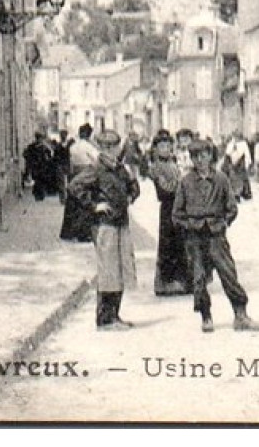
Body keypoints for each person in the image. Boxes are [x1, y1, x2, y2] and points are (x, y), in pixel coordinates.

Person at [173, 140, 259, 333]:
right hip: (195, 239)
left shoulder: (221, 179)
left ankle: (241, 315)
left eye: (204, 155)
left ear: (210, 156)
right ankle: (206, 316)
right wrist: (190, 225)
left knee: (228, 274)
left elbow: (232, 208)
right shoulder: (186, 182)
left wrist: (223, 223)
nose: (200, 160)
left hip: (216, 237)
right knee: (199, 279)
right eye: (195, 156)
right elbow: (177, 214)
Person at [68, 129, 140, 330]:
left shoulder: (120, 169)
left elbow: (134, 186)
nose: (111, 150)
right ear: (100, 147)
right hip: (105, 226)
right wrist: (94, 206)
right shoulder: (96, 169)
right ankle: (104, 319)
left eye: (114, 146)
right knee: (108, 271)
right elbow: (74, 187)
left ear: (118, 148)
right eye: (106, 146)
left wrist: (130, 196)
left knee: (121, 270)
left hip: (121, 223)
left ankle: (114, 316)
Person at [148, 133, 191, 296]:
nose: (166, 149)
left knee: (180, 242)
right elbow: (165, 189)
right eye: (162, 146)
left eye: (168, 146)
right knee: (168, 243)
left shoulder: (173, 162)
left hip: (178, 207)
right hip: (168, 207)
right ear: (156, 149)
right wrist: (181, 183)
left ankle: (181, 280)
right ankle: (165, 282)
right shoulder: (156, 167)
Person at [59, 124, 98, 243]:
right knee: (85, 204)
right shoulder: (88, 147)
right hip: (86, 174)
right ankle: (84, 233)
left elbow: (71, 163)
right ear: (88, 134)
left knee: (72, 205)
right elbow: (97, 160)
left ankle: (69, 232)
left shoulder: (73, 146)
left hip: (74, 174)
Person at [23, 132, 53, 202]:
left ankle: (40, 194)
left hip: (42, 166)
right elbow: (25, 154)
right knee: (37, 180)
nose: (39, 140)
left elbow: (49, 156)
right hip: (36, 166)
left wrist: (47, 159)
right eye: (38, 138)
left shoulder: (44, 147)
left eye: (40, 138)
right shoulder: (32, 147)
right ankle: (38, 194)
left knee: (41, 180)